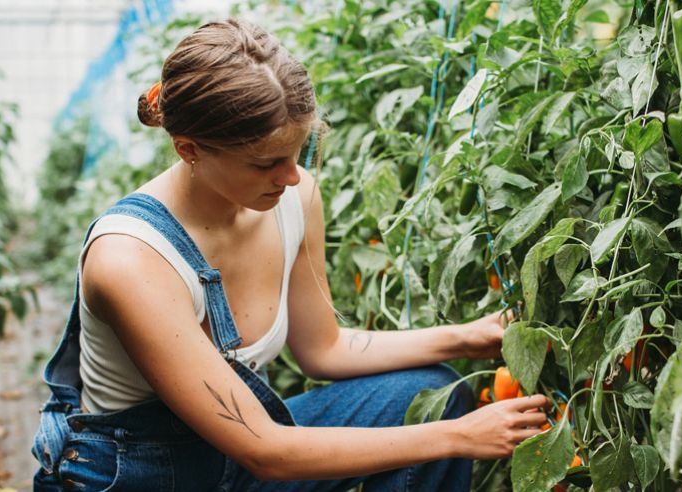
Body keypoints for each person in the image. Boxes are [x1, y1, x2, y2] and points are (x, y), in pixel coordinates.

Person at [31, 19, 550, 491]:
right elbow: (266, 451)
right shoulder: (131, 259)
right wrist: (458, 437)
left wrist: (468, 337)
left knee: (428, 392)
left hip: (233, 457)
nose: (292, 175)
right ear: (189, 148)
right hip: (142, 475)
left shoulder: (292, 198)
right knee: (438, 425)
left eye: (298, 152)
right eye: (265, 163)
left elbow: (323, 350)